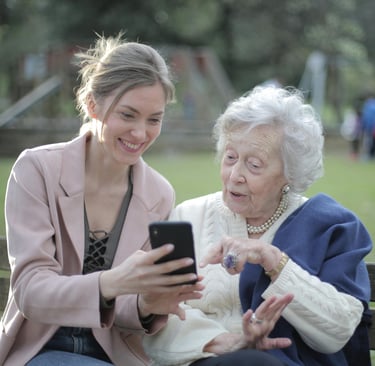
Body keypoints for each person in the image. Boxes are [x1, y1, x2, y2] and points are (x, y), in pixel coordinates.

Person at [0, 33, 205, 366]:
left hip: (115, 355)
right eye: (127, 115)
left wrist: (147, 303)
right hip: (38, 350)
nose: (140, 134)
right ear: (92, 104)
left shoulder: (159, 193)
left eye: (154, 119)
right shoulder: (36, 169)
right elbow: (30, 291)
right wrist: (113, 281)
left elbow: (126, 312)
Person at [143, 86, 372, 366]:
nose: (235, 175)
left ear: (290, 173)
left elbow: (338, 331)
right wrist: (226, 342)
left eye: (253, 165)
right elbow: (158, 312)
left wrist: (273, 260)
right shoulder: (189, 216)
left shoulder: (330, 226)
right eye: (230, 157)